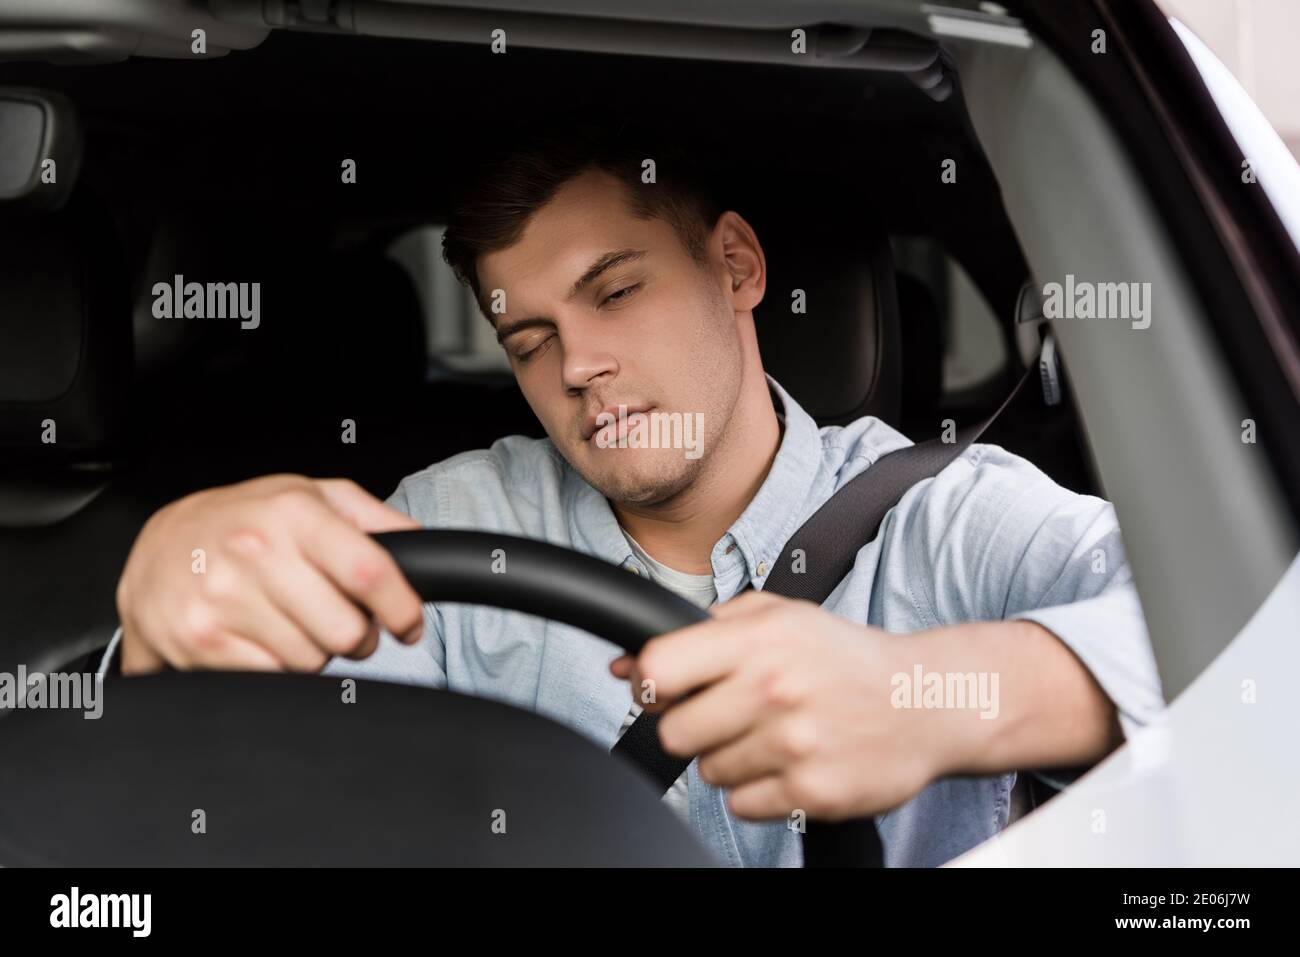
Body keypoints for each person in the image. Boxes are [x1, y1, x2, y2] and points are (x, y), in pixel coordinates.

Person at [102, 123, 1163, 866]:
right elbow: (266, 770)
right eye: (530, 339)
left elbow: (1240, 640)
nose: (577, 366)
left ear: (738, 266)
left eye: (615, 292)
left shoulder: (947, 516)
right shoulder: (454, 522)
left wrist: (932, 694)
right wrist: (175, 611)